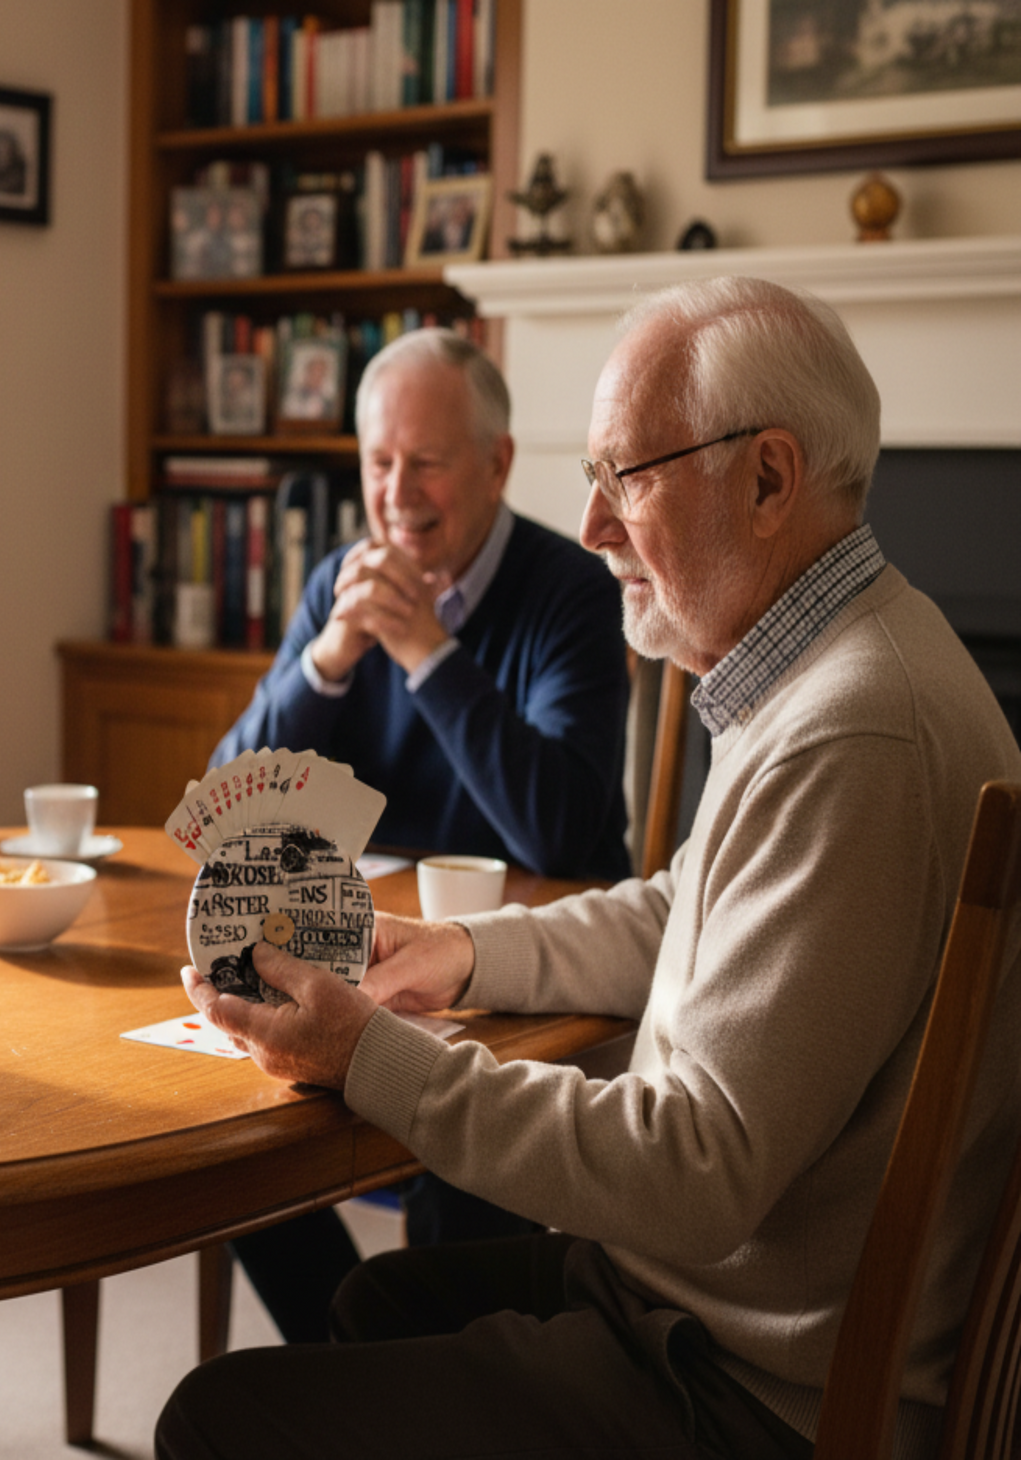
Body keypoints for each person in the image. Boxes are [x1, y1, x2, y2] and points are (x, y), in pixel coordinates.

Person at [159, 276, 1021, 1459]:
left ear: (767, 479)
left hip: (748, 1385)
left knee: (213, 1416)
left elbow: (692, 1168)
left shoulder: (853, 730)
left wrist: (367, 1054)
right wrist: (459, 951)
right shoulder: (834, 667)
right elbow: (684, 908)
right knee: (368, 1302)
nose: (591, 524)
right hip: (719, 1303)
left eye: (626, 475)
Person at [213, 327, 631, 1338]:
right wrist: (326, 660)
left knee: (462, 1174)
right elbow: (233, 807)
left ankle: (407, 1375)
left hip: (519, 979)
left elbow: (563, 834)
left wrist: (427, 655)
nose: (396, 494)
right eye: (378, 463)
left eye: (426, 462)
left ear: (495, 462)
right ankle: (359, 1363)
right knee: (225, 1138)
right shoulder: (338, 583)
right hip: (362, 956)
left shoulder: (571, 592)